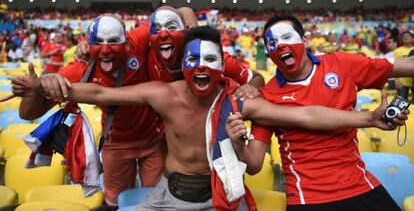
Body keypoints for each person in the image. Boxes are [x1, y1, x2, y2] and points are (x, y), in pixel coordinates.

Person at [6, 26, 407, 211]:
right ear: (183, 65)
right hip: (169, 196)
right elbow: (100, 92)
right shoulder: (162, 93)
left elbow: (306, 115)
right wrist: (51, 84)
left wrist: (367, 119)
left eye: (209, 61)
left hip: (223, 199)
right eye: (192, 59)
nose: (200, 66)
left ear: (222, 69)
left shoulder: (238, 100)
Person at [239, 15, 414, 211]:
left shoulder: (341, 65)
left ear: (304, 41)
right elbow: (254, 164)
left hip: (359, 184)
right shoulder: (267, 96)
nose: (280, 46)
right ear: (269, 53)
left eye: (287, 37)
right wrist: (235, 139)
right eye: (272, 43)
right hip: (307, 196)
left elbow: (408, 65)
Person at [15, 14, 166, 208]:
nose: (105, 50)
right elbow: (27, 114)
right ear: (89, 43)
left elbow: (179, 13)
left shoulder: (138, 40)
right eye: (98, 42)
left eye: (113, 41)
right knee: (114, 202)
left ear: (126, 41)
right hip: (116, 142)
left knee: (155, 201)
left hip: (152, 140)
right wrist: (34, 90)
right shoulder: (80, 68)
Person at [394, 31, 414, 102]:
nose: (405, 37)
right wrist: (397, 80)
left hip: (413, 81)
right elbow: (395, 66)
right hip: (402, 81)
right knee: (400, 103)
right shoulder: (397, 51)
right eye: (404, 36)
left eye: (408, 36)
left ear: (412, 38)